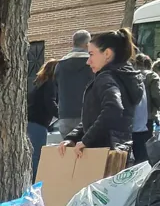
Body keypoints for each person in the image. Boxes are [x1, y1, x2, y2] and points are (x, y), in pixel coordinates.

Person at [59, 28, 144, 157]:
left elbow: (113, 109)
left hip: (102, 152)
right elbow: (94, 116)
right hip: (119, 150)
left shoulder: (106, 77)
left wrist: (86, 140)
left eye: (91, 54)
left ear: (107, 54)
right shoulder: (124, 76)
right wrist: (74, 137)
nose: (88, 61)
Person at [55, 30, 95, 138]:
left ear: (73, 43)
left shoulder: (60, 64)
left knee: (68, 152)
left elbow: (56, 89)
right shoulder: (92, 63)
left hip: (65, 115)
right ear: (87, 44)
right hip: (87, 115)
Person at [27, 59, 59, 177]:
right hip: (38, 123)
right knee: (36, 155)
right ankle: (33, 180)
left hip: (31, 120)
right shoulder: (51, 83)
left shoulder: (39, 83)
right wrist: (61, 115)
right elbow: (50, 103)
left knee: (31, 154)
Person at [133, 53, 160, 163]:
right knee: (146, 150)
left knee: (136, 148)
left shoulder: (130, 75)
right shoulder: (152, 76)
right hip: (147, 118)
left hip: (131, 119)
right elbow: (156, 96)